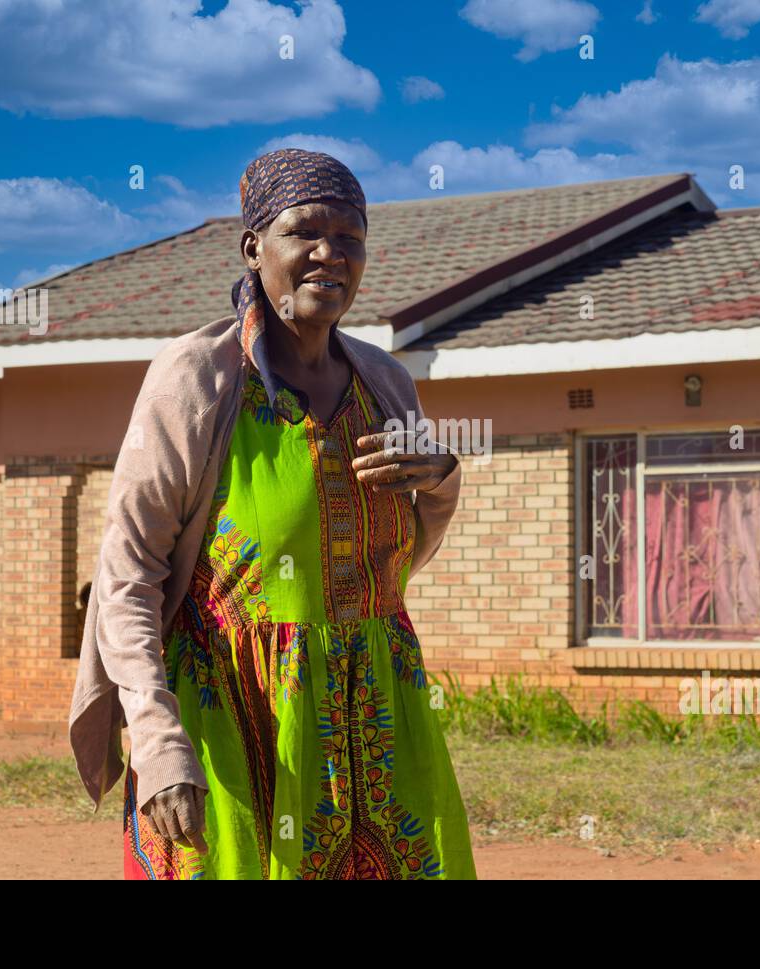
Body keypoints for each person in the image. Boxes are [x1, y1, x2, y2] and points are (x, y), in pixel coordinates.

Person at [68, 147, 477, 879]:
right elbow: (126, 574)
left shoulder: (384, 383)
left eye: (350, 236)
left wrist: (443, 481)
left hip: (380, 721)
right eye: (305, 233)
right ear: (254, 247)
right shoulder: (197, 381)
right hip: (234, 721)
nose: (331, 254)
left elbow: (391, 562)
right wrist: (158, 737)